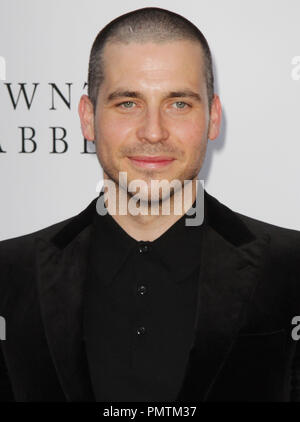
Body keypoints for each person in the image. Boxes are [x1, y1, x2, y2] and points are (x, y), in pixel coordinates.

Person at [0, 6, 300, 402]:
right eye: (128, 103)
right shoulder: (8, 274)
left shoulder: (293, 268)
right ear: (88, 118)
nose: (153, 132)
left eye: (179, 104)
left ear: (213, 118)